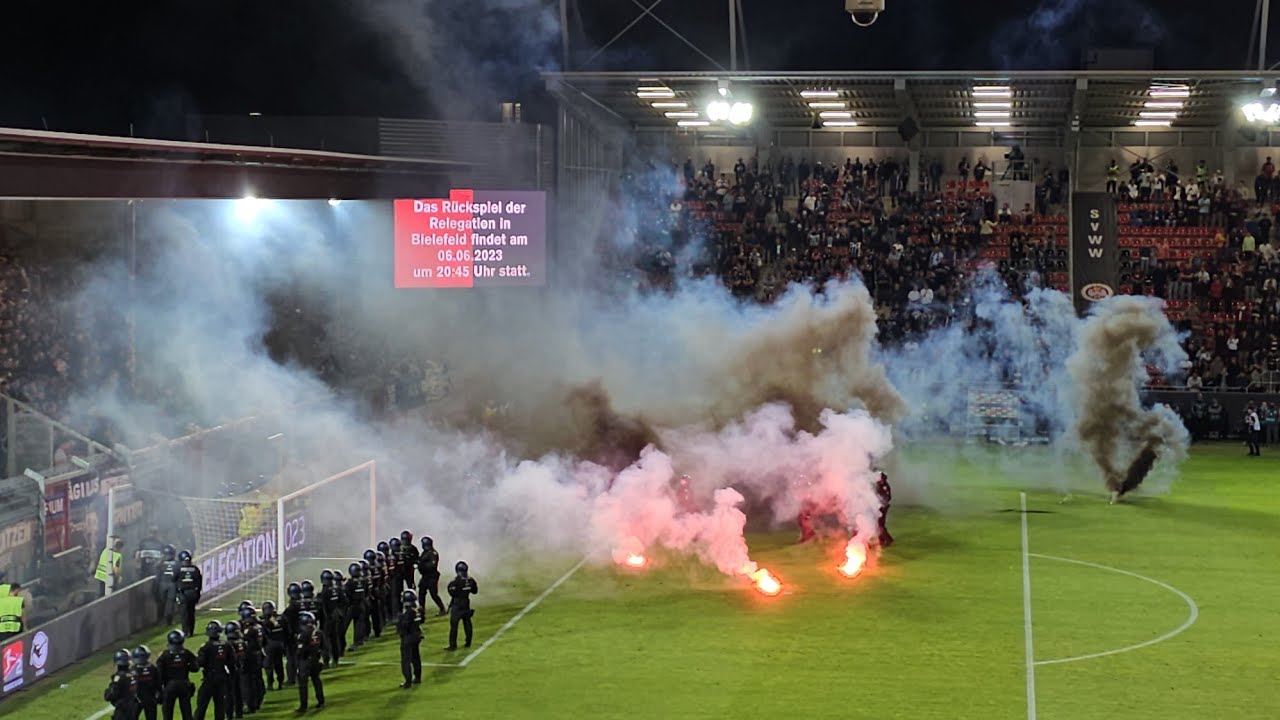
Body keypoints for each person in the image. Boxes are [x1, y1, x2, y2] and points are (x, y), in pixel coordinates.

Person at [194, 621, 232, 720]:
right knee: (220, 705)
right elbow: (232, 661)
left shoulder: (206, 647)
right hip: (222, 677)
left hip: (209, 678)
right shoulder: (226, 644)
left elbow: (200, 663)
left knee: (202, 704)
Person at [156, 630, 197, 720]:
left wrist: (159, 690)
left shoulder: (164, 655)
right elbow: (195, 668)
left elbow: (159, 674)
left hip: (169, 686)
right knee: (187, 713)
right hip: (184, 684)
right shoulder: (186, 653)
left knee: (167, 713)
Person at [294, 611, 325, 712]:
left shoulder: (303, 634)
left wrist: (298, 661)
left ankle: (304, 706)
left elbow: (301, 651)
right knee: (316, 680)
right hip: (316, 659)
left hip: (305, 661)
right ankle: (321, 701)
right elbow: (324, 647)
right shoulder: (319, 632)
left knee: (303, 684)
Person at [444, 561, 478, 651]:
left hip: (457, 605)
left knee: (454, 626)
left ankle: (453, 645)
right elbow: (475, 591)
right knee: (467, 624)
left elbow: (452, 593)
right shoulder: (470, 580)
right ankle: (468, 641)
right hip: (466, 603)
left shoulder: (455, 581)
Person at [237, 605, 265, 712]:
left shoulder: (248, 631)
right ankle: (259, 700)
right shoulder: (259, 627)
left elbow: (246, 646)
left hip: (249, 657)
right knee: (257, 678)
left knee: (247, 682)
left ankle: (250, 705)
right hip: (258, 655)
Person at [396, 590, 424, 688]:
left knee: (406, 660)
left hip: (408, 637)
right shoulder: (417, 609)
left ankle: (408, 681)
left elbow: (404, 626)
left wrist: (400, 620)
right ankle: (418, 677)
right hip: (417, 635)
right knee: (416, 657)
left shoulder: (408, 611)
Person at [259, 601, 288, 692]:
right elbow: (287, 631)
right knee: (278, 664)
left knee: (268, 666)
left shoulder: (262, 621)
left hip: (269, 645)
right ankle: (280, 682)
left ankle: (270, 684)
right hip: (280, 644)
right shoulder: (281, 618)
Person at [319, 570, 345, 667]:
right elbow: (344, 602)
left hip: (327, 620)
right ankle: (336, 658)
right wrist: (339, 612)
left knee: (325, 641)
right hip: (336, 618)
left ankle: (326, 661)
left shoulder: (323, 593)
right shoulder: (337, 589)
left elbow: (322, 608)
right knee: (335, 639)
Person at [174, 550, 203, 639]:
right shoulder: (195, 569)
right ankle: (191, 630)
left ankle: (185, 632)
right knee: (191, 612)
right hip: (193, 593)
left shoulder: (178, 569)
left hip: (183, 594)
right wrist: (197, 594)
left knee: (184, 614)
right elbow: (199, 582)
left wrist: (177, 593)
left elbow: (173, 580)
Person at [105, 649, 140, 720]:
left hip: (123, 710)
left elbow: (110, 695)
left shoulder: (119, 677)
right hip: (133, 707)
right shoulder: (134, 673)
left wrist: (107, 691)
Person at [416, 537, 447, 616]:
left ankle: (442, 609)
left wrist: (421, 565)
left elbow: (432, 566)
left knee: (433, 594)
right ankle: (421, 610)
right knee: (421, 593)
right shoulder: (425, 553)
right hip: (425, 576)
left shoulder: (433, 553)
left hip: (431, 576)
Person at [223, 621, 246, 719]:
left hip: (232, 670)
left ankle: (229, 714)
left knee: (229, 693)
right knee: (238, 692)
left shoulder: (228, 644)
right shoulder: (242, 642)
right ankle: (239, 712)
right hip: (242, 668)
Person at [132, 645, 162, 720]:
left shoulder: (133, 670)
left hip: (137, 699)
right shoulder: (152, 668)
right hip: (151, 698)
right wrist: (159, 695)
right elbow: (158, 683)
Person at [282, 582, 302, 686]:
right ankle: (302, 676)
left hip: (293, 635)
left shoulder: (292, 606)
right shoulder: (304, 601)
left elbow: (287, 621)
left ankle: (291, 679)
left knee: (291, 658)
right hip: (305, 633)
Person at [344, 563, 369, 648]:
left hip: (352, 606)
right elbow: (366, 592)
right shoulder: (364, 580)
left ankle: (341, 646)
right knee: (359, 624)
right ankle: (358, 641)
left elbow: (347, 595)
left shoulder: (349, 583)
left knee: (344, 625)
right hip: (362, 604)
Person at [155, 545, 180, 626]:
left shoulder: (161, 563)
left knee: (161, 603)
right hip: (172, 585)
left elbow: (157, 574)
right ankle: (169, 621)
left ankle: (160, 620)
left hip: (162, 584)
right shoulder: (177, 563)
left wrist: (155, 588)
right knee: (170, 603)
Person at [875, 471, 894, 548]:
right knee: (879, 524)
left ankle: (888, 540)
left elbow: (888, 497)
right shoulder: (879, 485)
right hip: (879, 506)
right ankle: (881, 540)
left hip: (883, 507)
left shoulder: (885, 486)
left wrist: (882, 503)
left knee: (880, 525)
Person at [397, 530, 419, 595]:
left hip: (401, 571)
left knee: (399, 588)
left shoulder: (398, 548)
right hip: (409, 571)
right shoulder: (413, 548)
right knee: (411, 586)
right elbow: (417, 559)